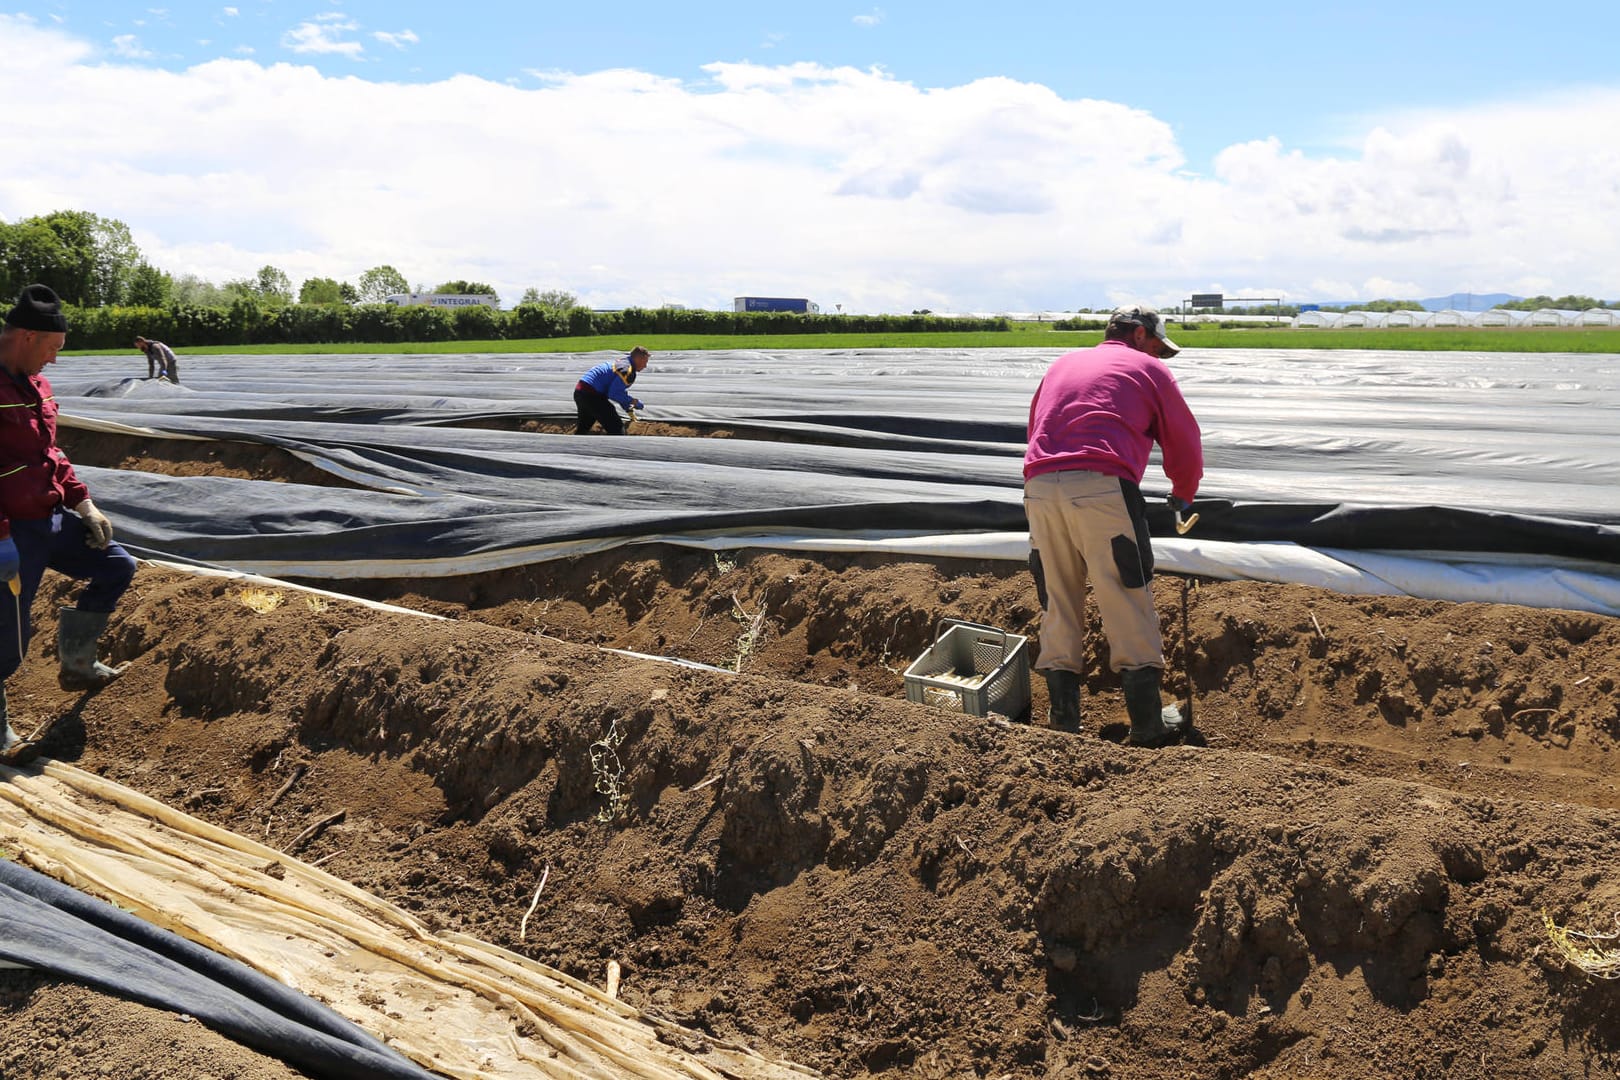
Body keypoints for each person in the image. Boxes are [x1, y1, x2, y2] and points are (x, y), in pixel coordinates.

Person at [1022, 304, 1203, 747]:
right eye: (1158, 346)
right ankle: (1147, 725)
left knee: (1058, 598)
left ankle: (1063, 724)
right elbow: (1184, 437)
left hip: (1040, 489)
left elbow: (1035, 429)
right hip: (1103, 488)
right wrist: (1184, 491)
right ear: (1140, 336)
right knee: (1126, 595)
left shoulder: (1062, 365)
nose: (1160, 356)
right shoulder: (1147, 369)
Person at [0, 285, 139, 765]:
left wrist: (84, 504)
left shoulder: (35, 385)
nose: (55, 362)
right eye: (53, 350)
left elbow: (51, 453)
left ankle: (78, 664)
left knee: (116, 566)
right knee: (6, 633)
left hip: (49, 519)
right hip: (9, 529)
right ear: (27, 337)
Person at [573, 347, 649, 435]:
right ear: (638, 358)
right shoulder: (627, 370)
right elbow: (614, 393)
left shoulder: (622, 362)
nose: (645, 366)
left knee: (585, 426)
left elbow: (618, 390)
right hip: (592, 394)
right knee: (616, 429)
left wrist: (627, 406)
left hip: (580, 391)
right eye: (645, 361)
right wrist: (633, 401)